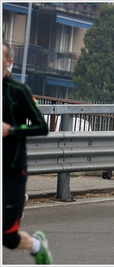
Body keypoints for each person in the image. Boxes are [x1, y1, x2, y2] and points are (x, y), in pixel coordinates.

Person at [2, 42, 51, 264]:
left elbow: (42, 126)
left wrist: (11, 130)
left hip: (12, 170)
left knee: (9, 238)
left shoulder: (18, 91)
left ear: (8, 62)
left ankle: (38, 246)